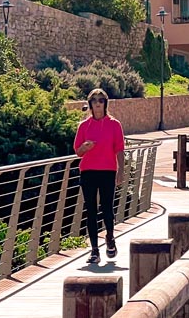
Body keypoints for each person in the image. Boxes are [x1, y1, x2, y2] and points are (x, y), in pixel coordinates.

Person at [74, 89, 125, 264]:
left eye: (101, 100)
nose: (97, 103)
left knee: (107, 208)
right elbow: (78, 152)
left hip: (107, 171)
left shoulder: (114, 124)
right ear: (90, 104)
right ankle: (94, 250)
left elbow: (119, 149)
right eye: (94, 100)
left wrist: (121, 170)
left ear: (105, 103)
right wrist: (85, 148)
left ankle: (110, 238)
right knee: (91, 211)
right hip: (88, 171)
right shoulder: (83, 126)